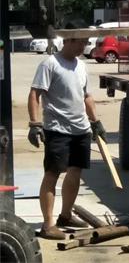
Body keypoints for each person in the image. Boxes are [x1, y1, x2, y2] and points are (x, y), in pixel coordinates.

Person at [27, 30, 107, 240]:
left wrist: (95, 121)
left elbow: (86, 96)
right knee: (52, 174)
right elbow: (35, 94)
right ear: (68, 40)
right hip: (57, 129)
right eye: (80, 42)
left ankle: (66, 216)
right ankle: (48, 225)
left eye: (85, 43)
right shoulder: (50, 64)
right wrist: (34, 124)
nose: (83, 47)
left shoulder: (81, 65)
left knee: (75, 172)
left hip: (81, 129)